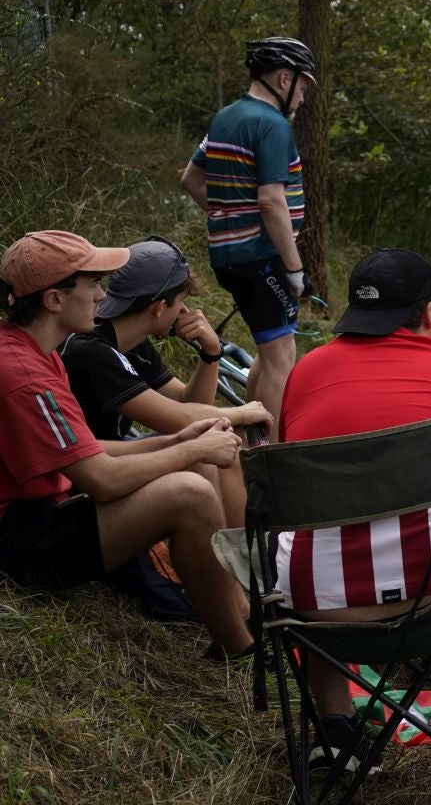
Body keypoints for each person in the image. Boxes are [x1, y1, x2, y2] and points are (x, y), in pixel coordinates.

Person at [277, 248, 431, 773]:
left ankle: (336, 729)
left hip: (322, 612)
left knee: (313, 539)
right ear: (430, 312)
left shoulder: (303, 373)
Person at [0, 231, 252, 659]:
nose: (101, 298)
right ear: (54, 300)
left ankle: (242, 607)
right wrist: (188, 449)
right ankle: (239, 648)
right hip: (20, 541)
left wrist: (178, 440)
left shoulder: (38, 352)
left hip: (42, 510)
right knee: (188, 493)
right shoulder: (27, 376)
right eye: (93, 285)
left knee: (200, 465)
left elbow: (86, 449)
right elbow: (102, 480)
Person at [56, 237, 273, 526]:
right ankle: (245, 554)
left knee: (217, 447)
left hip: (111, 456)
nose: (184, 313)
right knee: (220, 452)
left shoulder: (132, 343)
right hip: (84, 478)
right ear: (159, 307)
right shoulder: (92, 350)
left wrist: (211, 353)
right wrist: (242, 412)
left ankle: (241, 552)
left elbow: (189, 405)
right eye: (181, 302)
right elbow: (179, 419)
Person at [179, 36, 318, 427]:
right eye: (303, 87)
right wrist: (294, 269)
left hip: (228, 257)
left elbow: (191, 178)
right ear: (284, 78)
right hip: (262, 259)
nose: (303, 98)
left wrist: (225, 217)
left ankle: (248, 444)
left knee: (267, 350)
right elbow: (271, 200)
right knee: (281, 359)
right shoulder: (271, 124)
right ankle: (268, 458)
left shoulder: (226, 117)